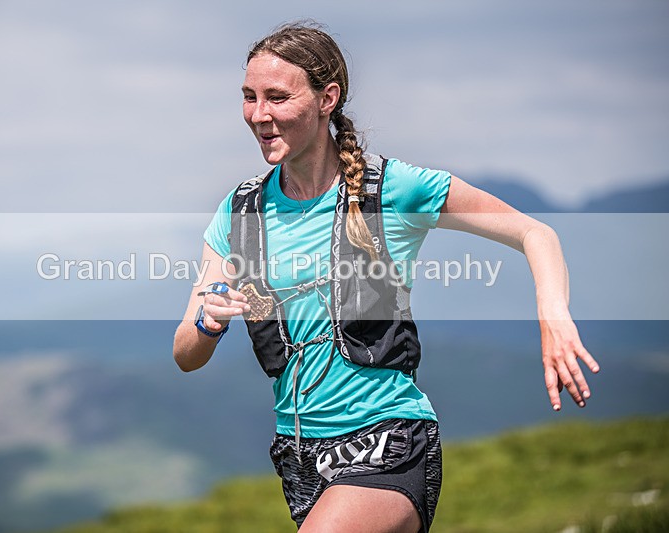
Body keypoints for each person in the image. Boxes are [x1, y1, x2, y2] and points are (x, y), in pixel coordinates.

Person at [172, 22, 600, 533]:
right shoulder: (240, 211)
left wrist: (553, 316)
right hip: (297, 458)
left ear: (327, 98)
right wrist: (209, 320)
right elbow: (185, 355)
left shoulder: (392, 189)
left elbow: (534, 233)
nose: (258, 114)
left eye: (277, 97)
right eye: (249, 97)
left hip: (389, 441)